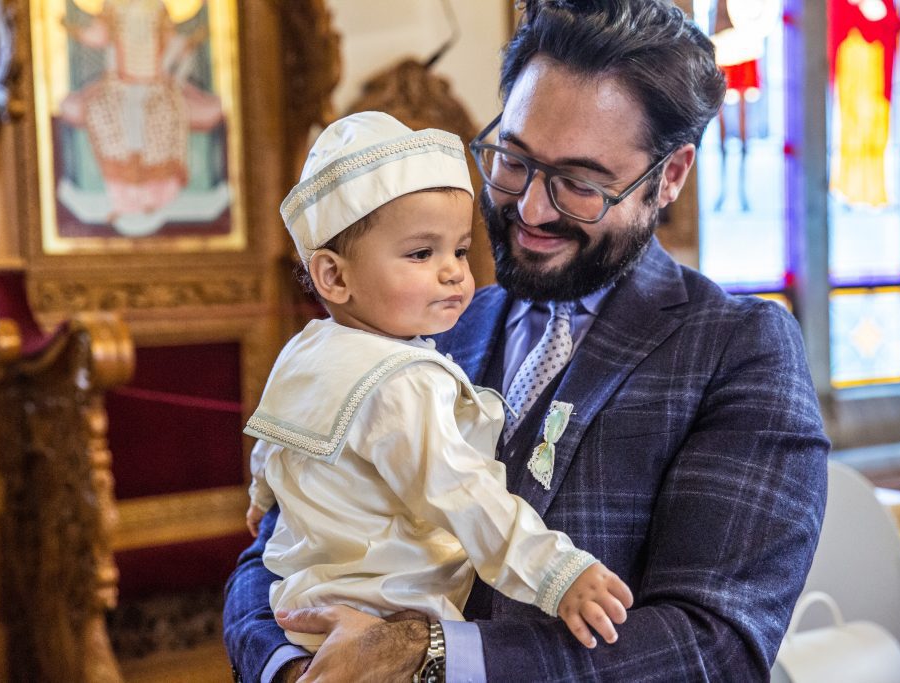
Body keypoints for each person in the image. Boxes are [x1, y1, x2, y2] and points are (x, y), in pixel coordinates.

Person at [224, 1, 830, 680]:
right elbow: (280, 542)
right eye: (512, 161)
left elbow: (712, 646)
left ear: (670, 176)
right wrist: (289, 663)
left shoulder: (735, 351)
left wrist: (430, 655)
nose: (532, 210)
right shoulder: (422, 323)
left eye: (578, 183)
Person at [242, 110, 635, 657]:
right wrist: (558, 573)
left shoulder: (306, 348)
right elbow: (466, 496)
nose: (453, 271)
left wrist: (261, 498)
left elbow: (275, 439)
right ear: (334, 276)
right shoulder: (402, 383)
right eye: (421, 254)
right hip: (389, 612)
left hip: (308, 607)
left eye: (459, 249)